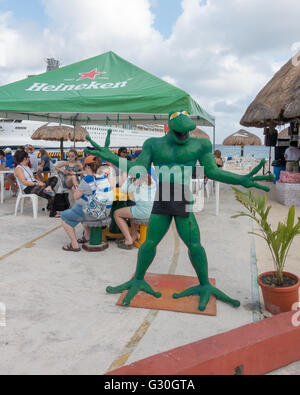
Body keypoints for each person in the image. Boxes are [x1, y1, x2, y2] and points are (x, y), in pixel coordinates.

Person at [60, 155, 112, 252]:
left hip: (95, 212)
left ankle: (74, 244)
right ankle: (87, 236)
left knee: (64, 217)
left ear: (88, 167)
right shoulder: (104, 176)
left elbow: (76, 196)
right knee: (80, 206)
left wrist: (75, 189)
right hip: (106, 210)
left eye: (84, 167)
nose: (84, 169)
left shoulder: (88, 179)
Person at [114, 174, 156, 249]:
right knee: (132, 211)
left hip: (143, 211)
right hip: (153, 210)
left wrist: (129, 177)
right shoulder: (150, 178)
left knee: (116, 213)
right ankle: (133, 236)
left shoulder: (134, 181)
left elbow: (123, 189)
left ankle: (129, 240)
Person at [14, 150, 58, 217]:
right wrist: (37, 184)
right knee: (52, 193)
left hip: (34, 184)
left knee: (54, 178)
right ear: (25, 158)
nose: (29, 158)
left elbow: (32, 178)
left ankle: (49, 187)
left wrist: (39, 182)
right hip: (28, 188)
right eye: (28, 157)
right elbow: (24, 182)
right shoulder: (19, 169)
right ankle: (52, 212)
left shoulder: (27, 167)